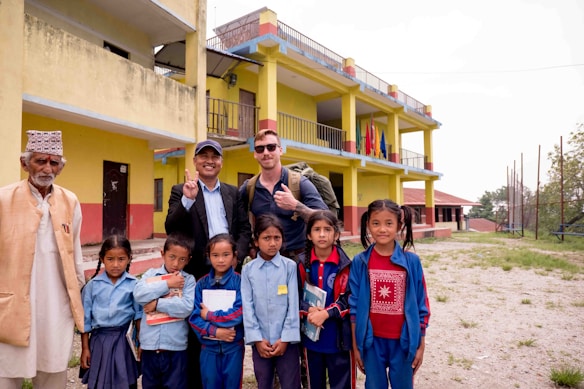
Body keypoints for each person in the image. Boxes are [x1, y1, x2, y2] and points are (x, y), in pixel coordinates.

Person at [0, 130, 85, 389]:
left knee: (53, 370)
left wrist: (79, 292)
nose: (48, 168)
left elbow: (76, 255)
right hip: (11, 303)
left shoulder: (70, 201)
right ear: (25, 163)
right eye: (40, 160)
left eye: (54, 162)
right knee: (6, 371)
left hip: (55, 304)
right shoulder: (3, 199)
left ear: (60, 167)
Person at [165, 139, 251, 388]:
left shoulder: (233, 192)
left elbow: (244, 229)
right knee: (198, 333)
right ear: (195, 161)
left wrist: (236, 257)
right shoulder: (181, 190)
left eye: (215, 156)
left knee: (231, 324)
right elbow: (171, 227)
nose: (209, 160)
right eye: (204, 156)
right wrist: (188, 200)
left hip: (229, 272)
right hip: (198, 272)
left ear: (221, 162)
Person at [349, 199, 431, 389]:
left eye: (389, 223)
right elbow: (354, 308)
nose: (382, 229)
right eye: (376, 223)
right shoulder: (360, 262)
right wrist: (356, 346)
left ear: (399, 225)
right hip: (371, 343)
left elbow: (421, 304)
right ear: (368, 224)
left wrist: (421, 343)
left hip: (403, 342)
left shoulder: (412, 262)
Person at [240, 129, 327, 263]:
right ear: (255, 155)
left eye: (271, 147)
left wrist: (296, 206)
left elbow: (326, 220)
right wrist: (250, 248)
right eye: (260, 149)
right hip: (264, 261)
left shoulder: (299, 183)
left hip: (297, 260)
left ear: (280, 150)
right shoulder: (249, 187)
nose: (266, 153)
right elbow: (237, 222)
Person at [241, 214, 301, 389]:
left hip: (286, 342)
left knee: (291, 383)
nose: (272, 243)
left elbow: (293, 304)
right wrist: (257, 339)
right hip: (261, 342)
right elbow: (248, 306)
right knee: (264, 382)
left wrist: (285, 339)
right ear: (257, 241)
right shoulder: (248, 270)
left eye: (277, 238)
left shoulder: (290, 267)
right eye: (267, 238)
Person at [298, 210, 355, 389]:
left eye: (327, 229)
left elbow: (350, 298)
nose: (322, 234)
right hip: (311, 339)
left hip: (339, 339)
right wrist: (309, 309)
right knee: (315, 383)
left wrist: (326, 314)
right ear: (309, 235)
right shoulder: (301, 264)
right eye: (316, 229)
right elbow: (295, 297)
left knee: (342, 384)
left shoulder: (346, 265)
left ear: (336, 234)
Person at [134, 234, 196, 389]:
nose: (176, 263)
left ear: (188, 259)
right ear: (162, 254)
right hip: (150, 347)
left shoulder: (188, 281)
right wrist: (167, 284)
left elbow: (186, 308)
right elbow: (139, 295)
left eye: (182, 259)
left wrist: (157, 304)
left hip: (176, 348)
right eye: (172, 257)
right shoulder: (150, 275)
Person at [80, 235, 142, 389]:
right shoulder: (92, 286)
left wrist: (141, 343)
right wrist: (85, 348)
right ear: (102, 258)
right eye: (110, 259)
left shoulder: (134, 285)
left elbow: (139, 316)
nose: (116, 264)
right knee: (99, 382)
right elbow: (85, 320)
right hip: (99, 341)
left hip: (124, 342)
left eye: (121, 259)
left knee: (126, 380)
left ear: (129, 258)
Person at [189, 233, 244, 389]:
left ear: (234, 255)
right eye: (215, 255)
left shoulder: (240, 282)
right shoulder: (201, 284)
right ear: (208, 256)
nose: (221, 260)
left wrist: (210, 315)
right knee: (210, 383)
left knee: (233, 385)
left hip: (233, 347)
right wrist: (215, 331)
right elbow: (194, 318)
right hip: (208, 349)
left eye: (226, 255)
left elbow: (239, 313)